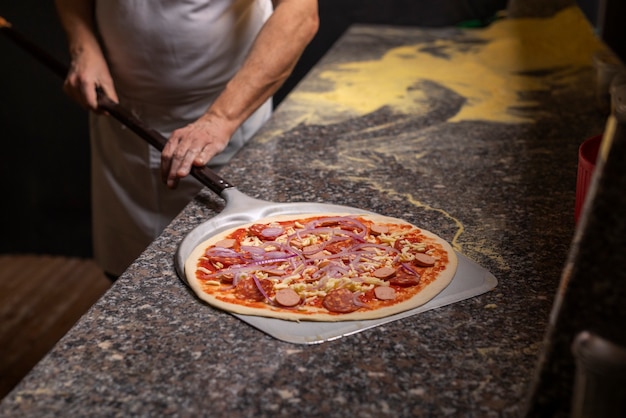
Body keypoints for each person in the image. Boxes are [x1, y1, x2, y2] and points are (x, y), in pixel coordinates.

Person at [54, 0, 319, 279]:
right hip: (121, 118)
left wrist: (221, 118)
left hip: (227, 115)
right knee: (128, 278)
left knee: (236, 274)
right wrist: (82, 45)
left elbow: (300, 11)